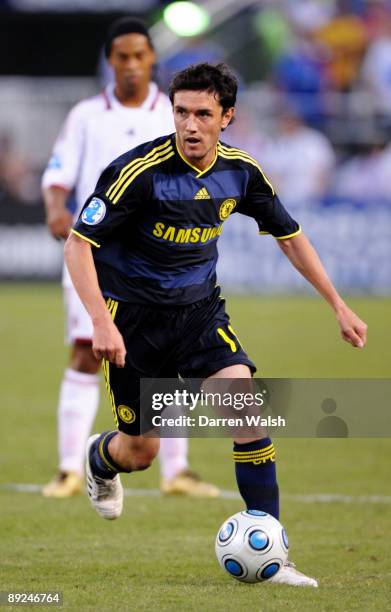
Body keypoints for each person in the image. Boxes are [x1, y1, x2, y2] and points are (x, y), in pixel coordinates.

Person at [64, 63, 367, 587]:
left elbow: (290, 236)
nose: (190, 125)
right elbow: (77, 244)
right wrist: (100, 324)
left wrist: (337, 304)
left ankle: (272, 552)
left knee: (246, 408)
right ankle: (100, 457)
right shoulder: (137, 172)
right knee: (141, 452)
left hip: (200, 314)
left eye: (203, 114)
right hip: (133, 322)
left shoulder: (241, 172)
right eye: (181, 112)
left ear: (227, 116)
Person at [41, 17, 218, 499]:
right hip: (94, 252)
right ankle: (69, 469)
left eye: (141, 55)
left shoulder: (177, 112)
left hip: (160, 259)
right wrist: (57, 209)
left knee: (171, 360)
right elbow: (59, 173)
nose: (133, 65)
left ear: (152, 59)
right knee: (83, 350)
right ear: (111, 61)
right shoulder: (85, 116)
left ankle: (176, 471)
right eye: (123, 56)